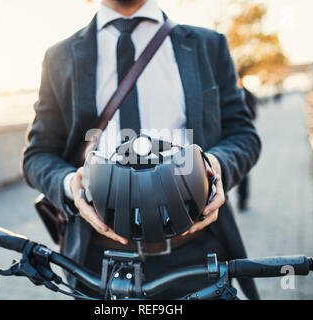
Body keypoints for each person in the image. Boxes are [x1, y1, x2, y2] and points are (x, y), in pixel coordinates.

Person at [22, 0, 261, 299]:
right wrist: (72, 184)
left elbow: (243, 134)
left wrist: (213, 167)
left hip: (197, 257)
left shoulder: (208, 45)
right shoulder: (58, 57)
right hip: (98, 263)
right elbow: (37, 155)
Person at [237, 78, 258, 212]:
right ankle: (242, 199)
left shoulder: (246, 94)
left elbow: (253, 114)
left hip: (240, 135)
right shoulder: (246, 94)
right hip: (231, 136)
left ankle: (242, 199)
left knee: (243, 169)